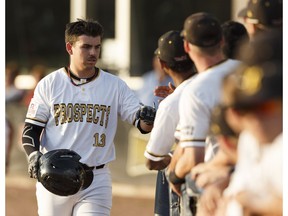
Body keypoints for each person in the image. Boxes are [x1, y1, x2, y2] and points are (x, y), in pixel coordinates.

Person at [21, 18, 156, 216]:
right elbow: (31, 129)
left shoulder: (114, 86)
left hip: (96, 178)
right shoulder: (50, 84)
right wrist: (33, 155)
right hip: (54, 176)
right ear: (70, 47)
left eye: (97, 47)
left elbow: (141, 123)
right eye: (86, 47)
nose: (93, 53)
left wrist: (149, 117)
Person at [167, 12, 241, 214]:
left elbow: (193, 159)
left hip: (216, 187)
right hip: (260, 178)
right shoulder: (248, 70)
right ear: (222, 40)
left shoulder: (195, 90)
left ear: (187, 46)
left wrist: (174, 176)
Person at [144, 30, 197, 215]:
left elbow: (152, 160)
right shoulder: (210, 83)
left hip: (192, 184)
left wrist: (172, 159)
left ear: (162, 64)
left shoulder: (171, 104)